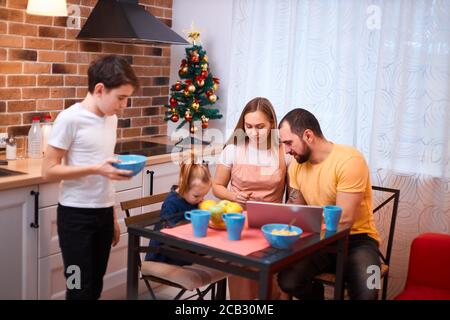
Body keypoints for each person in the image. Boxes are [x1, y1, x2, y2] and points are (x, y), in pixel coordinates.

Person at [42, 55, 139, 300]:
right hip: (76, 219)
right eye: (120, 97)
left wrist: (113, 215)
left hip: (103, 215)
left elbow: (105, 171)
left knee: (94, 287)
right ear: (99, 89)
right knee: (77, 287)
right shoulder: (69, 118)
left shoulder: (111, 119)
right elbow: (49, 170)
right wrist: (96, 169)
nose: (123, 105)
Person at [277, 108, 381, 300]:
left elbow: (345, 219)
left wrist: (307, 221)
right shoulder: (297, 166)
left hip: (358, 241)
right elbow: (299, 212)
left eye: (289, 143)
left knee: (370, 288)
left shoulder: (350, 160)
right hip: (320, 241)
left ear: (308, 135)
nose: (287, 151)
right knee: (288, 281)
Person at [212, 97, 290, 299]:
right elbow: (217, 187)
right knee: (242, 275)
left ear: (272, 123)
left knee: (273, 280)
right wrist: (233, 196)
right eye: (248, 126)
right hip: (239, 224)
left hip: (273, 227)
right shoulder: (233, 149)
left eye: (260, 126)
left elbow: (295, 193)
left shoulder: (284, 151)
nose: (254, 132)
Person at [145, 163, 212, 265]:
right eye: (197, 196)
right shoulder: (171, 204)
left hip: (185, 249)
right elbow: (167, 234)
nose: (201, 200)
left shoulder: (194, 201)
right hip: (164, 256)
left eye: (203, 195)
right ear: (184, 186)